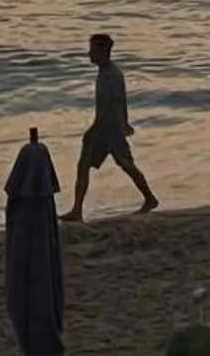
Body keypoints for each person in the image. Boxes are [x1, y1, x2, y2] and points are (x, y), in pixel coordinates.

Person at [63, 33, 157, 221]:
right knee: (119, 164)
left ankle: (77, 210)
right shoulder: (110, 72)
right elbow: (119, 103)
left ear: (102, 51)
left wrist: (93, 130)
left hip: (108, 131)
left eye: (92, 50)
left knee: (118, 164)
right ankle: (77, 209)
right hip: (112, 129)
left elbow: (108, 106)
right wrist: (124, 122)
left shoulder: (110, 76)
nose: (89, 53)